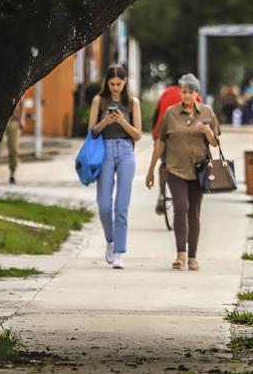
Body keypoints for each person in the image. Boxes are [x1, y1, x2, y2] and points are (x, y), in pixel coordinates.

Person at [146, 73, 220, 271]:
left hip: (199, 170)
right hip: (175, 169)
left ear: (197, 93)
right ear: (180, 92)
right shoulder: (170, 114)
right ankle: (180, 254)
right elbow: (161, 141)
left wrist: (207, 132)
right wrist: (151, 169)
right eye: (184, 92)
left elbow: (215, 142)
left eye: (191, 92)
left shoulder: (207, 112)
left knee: (194, 212)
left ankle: (193, 257)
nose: (187, 96)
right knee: (180, 207)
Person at [88, 64, 142, 269]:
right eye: (112, 83)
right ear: (107, 83)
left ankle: (119, 252)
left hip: (126, 150)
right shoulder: (99, 101)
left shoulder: (132, 103)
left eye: (119, 83)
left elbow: (137, 134)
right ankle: (110, 240)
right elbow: (92, 132)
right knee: (103, 204)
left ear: (125, 82)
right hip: (105, 150)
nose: (116, 87)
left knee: (122, 206)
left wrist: (122, 122)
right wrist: (106, 121)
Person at [151, 78, 201, 214]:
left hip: (162, 134)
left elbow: (155, 114)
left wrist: (154, 133)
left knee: (165, 164)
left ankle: (162, 195)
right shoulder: (196, 97)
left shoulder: (166, 92)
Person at [0, 101, 22, 184]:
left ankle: (12, 174)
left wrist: (22, 120)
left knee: (14, 149)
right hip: (0, 121)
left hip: (14, 121)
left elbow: (21, 101)